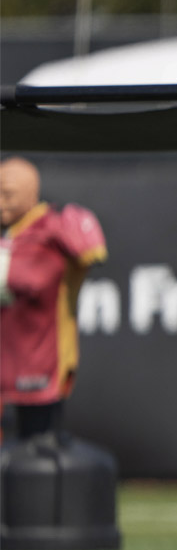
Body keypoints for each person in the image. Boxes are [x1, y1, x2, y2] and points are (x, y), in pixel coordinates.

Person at [0, 156, 107, 440]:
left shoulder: (54, 227)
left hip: (43, 359)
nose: (1, 203)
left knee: (38, 449)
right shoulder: (10, 238)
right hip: (8, 358)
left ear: (30, 194)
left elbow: (91, 251)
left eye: (8, 195)